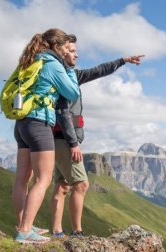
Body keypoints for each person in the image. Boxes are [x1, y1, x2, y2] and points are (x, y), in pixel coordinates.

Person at [50, 34, 144, 237]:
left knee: (62, 184)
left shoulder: (72, 75)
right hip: (65, 139)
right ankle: (77, 232)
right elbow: (63, 112)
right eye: (72, 51)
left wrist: (123, 61)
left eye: (76, 51)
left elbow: (99, 70)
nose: (76, 54)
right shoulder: (64, 78)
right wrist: (73, 143)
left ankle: (57, 231)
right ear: (61, 51)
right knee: (81, 184)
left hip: (57, 138)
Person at [12, 28, 80, 243]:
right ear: (57, 47)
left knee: (22, 179)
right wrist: (68, 68)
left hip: (21, 123)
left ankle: (24, 224)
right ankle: (24, 232)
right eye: (65, 49)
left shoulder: (31, 60)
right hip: (39, 123)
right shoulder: (52, 64)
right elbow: (72, 93)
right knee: (43, 179)